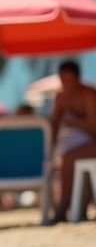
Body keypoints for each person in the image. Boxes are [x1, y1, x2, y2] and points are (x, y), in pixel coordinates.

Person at [49, 60, 96, 221]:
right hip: (76, 145)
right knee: (67, 159)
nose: (66, 84)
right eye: (63, 81)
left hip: (90, 143)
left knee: (70, 159)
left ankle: (63, 207)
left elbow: (94, 128)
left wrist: (73, 122)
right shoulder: (61, 98)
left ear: (78, 78)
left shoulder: (88, 95)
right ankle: (77, 209)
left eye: (68, 80)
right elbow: (53, 126)